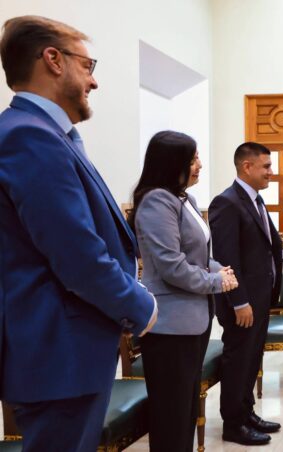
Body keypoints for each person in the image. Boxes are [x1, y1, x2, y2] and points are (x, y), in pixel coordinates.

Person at [0, 16, 157, 450]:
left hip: (68, 353)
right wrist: (139, 303)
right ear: (53, 60)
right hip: (58, 356)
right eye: (88, 66)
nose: (95, 81)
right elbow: (76, 255)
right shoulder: (28, 135)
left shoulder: (50, 134)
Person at [128, 131, 237, 451]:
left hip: (194, 320)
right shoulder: (156, 201)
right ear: (171, 163)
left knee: (185, 412)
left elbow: (197, 255)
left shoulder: (184, 199)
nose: (200, 165)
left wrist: (219, 269)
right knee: (171, 418)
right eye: (193, 159)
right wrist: (216, 282)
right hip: (169, 325)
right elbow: (171, 266)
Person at [209, 142, 283, 445]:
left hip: (260, 298)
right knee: (238, 359)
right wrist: (239, 301)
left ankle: (247, 411)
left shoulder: (255, 200)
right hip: (243, 302)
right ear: (247, 167)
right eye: (266, 166)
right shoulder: (226, 202)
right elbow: (228, 260)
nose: (271, 172)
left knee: (252, 358)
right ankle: (233, 424)